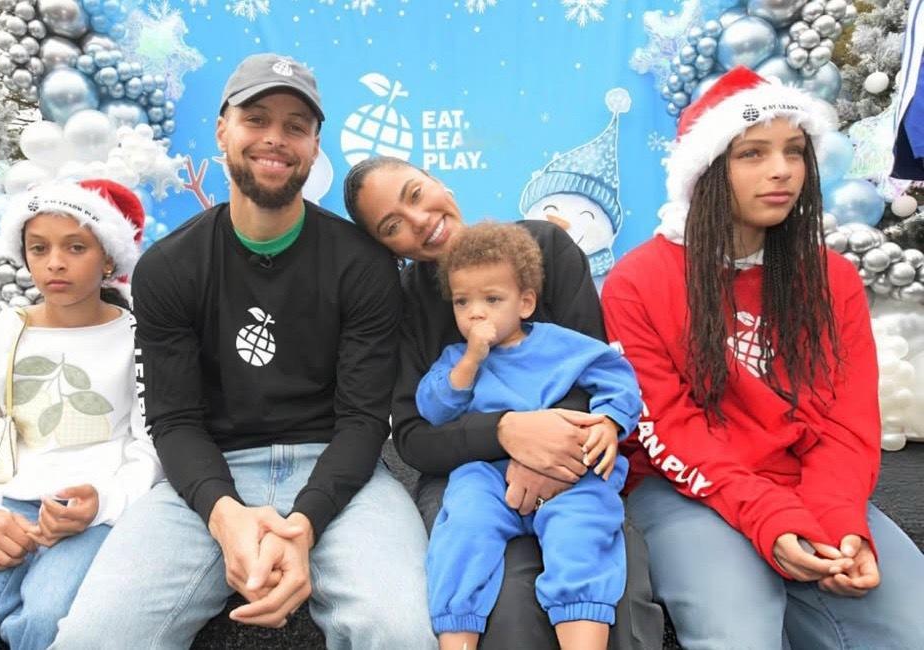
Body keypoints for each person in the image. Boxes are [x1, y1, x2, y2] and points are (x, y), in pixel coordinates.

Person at [52, 53, 435, 648]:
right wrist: (223, 512)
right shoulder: (169, 268)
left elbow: (364, 419)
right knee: (94, 636)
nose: (275, 138)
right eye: (256, 119)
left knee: (401, 631)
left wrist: (304, 523)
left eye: (295, 126)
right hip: (213, 468)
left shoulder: (363, 264)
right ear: (222, 130)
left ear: (314, 145)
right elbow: (174, 419)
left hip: (340, 470)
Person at [601, 66, 924, 649]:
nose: (782, 170)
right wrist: (770, 516)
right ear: (706, 170)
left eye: (794, 151)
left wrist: (840, 521)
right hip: (685, 489)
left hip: (811, 483)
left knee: (911, 627)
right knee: (738, 635)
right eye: (752, 153)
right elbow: (668, 428)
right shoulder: (637, 282)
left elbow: (847, 421)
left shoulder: (832, 278)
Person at [343, 157, 664, 649]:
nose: (420, 220)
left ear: (438, 182)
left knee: (611, 585)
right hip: (466, 475)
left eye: (415, 194)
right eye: (392, 226)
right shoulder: (405, 303)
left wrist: (551, 450)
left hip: (571, 459)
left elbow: (595, 372)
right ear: (387, 248)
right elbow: (414, 437)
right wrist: (504, 432)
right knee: (506, 602)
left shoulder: (545, 248)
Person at [0, 179, 163, 650]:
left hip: (96, 515)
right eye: (39, 248)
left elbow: (152, 443)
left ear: (108, 258)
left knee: (48, 620)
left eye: (76, 247)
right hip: (3, 506)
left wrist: (105, 502)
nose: (55, 262)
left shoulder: (141, 339)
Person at [417, 222, 640, 650]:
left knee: (582, 533)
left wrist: (610, 422)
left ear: (525, 302)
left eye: (492, 299)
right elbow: (434, 409)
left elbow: (618, 379)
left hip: (567, 472)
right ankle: (457, 638)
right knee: (462, 529)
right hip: (487, 474)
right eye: (463, 301)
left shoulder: (563, 344)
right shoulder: (456, 359)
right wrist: (470, 361)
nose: (476, 313)